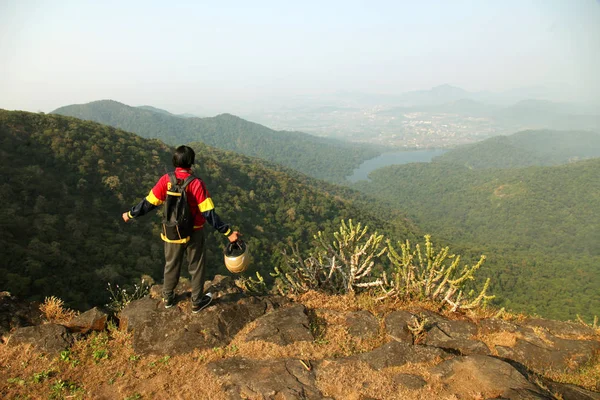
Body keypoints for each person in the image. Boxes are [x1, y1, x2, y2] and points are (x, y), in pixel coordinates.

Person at [122, 145, 240, 313]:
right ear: (191, 162)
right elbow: (208, 214)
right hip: (194, 231)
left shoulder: (166, 180)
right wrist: (228, 232)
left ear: (174, 161)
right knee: (197, 266)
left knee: (171, 265)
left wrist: (130, 214)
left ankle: (168, 298)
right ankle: (197, 301)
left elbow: (148, 203)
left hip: (172, 232)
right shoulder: (197, 184)